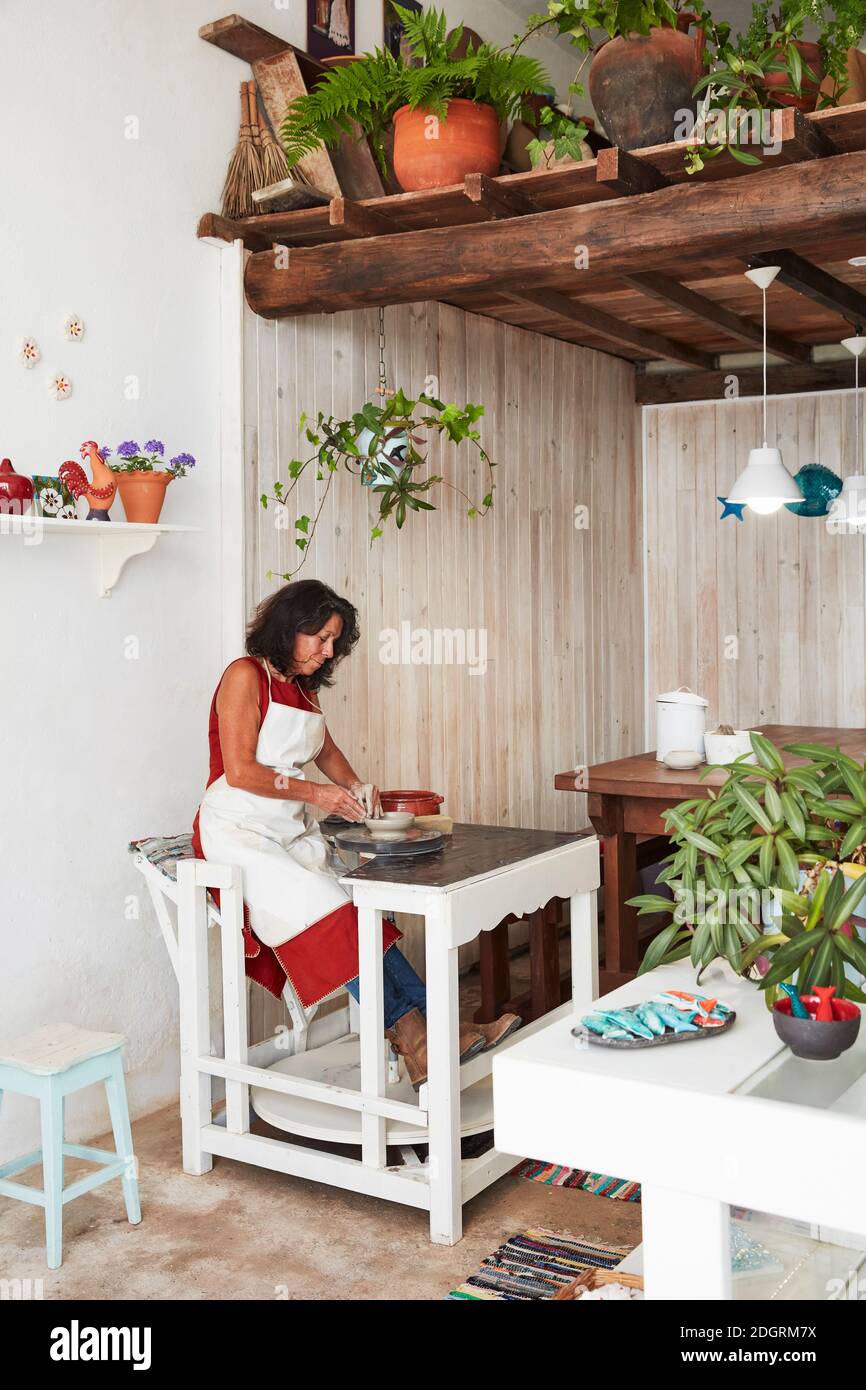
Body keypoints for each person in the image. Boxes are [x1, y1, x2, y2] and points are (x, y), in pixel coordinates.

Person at [192, 579, 520, 1088]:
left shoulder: (300, 689)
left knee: (360, 913)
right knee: (335, 913)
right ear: (289, 627)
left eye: (332, 643)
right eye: (319, 638)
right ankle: (420, 1041)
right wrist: (319, 796)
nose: (326, 653)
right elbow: (239, 771)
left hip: (286, 829)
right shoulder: (244, 675)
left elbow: (324, 752)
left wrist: (355, 786)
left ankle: (431, 1037)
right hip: (238, 833)